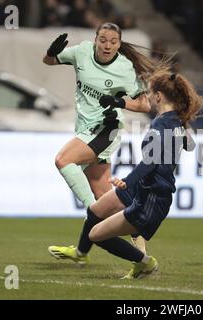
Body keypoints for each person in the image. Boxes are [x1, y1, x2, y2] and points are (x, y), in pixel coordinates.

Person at [52, 68, 201, 279]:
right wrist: (182, 125)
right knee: (95, 211)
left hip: (152, 195)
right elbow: (191, 145)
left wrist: (126, 182)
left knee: (97, 234)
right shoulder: (174, 121)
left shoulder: (161, 124)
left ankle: (145, 263)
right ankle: (81, 253)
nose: (147, 97)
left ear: (159, 96)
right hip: (148, 188)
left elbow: (149, 163)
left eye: (149, 93)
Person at [44, 22, 161, 263]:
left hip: (107, 129)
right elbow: (49, 61)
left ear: (119, 44)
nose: (107, 45)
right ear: (95, 40)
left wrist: (119, 103)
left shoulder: (125, 68)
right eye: (103, 40)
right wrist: (50, 52)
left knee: (63, 160)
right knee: (105, 198)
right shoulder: (81, 52)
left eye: (113, 42)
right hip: (86, 129)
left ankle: (92, 215)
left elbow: (144, 105)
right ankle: (94, 249)